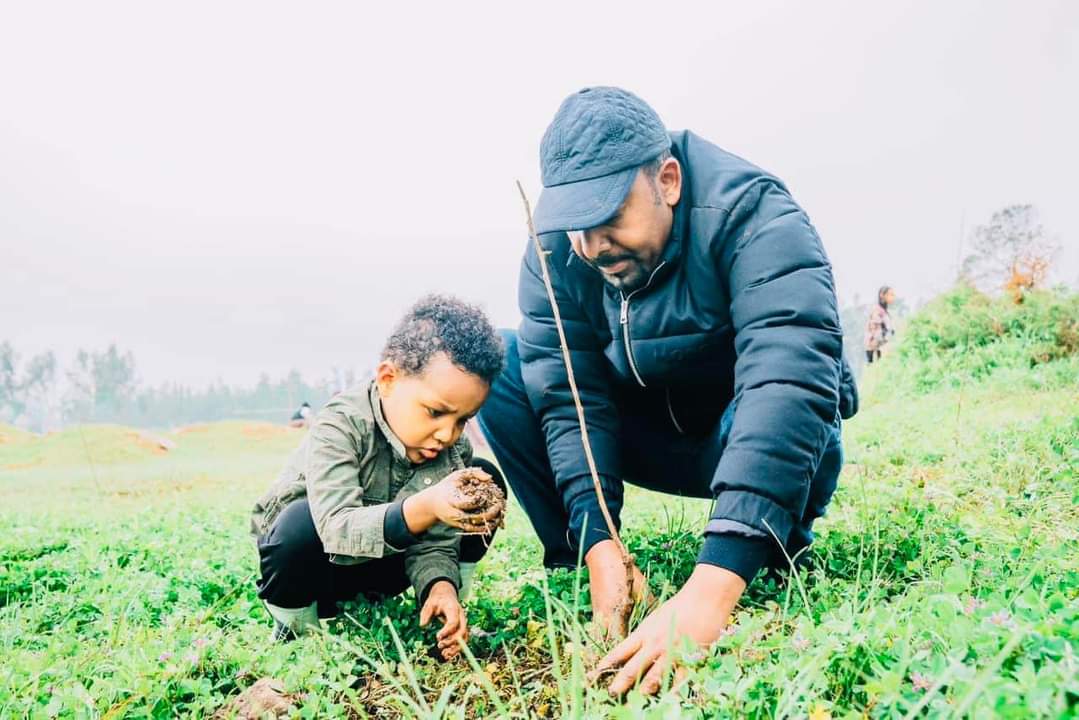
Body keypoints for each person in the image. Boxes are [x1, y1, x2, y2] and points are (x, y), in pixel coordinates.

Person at [477, 87, 858, 694]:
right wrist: (599, 538)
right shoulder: (558, 248)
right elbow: (567, 395)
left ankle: (764, 546)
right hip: (646, 435)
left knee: (798, 396)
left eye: (609, 219)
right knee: (506, 361)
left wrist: (709, 592)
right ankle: (590, 568)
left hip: (734, 433)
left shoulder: (755, 214)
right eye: (576, 224)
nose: (591, 246)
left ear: (669, 181)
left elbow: (786, 380)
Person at [251, 295, 507, 660]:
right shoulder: (340, 425)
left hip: (386, 568)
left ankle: (447, 617)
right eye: (436, 412)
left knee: (480, 483)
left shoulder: (450, 449)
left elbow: (435, 542)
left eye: (463, 420)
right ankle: (297, 640)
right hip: (320, 572)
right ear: (388, 379)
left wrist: (440, 583)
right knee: (297, 525)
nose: (447, 434)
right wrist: (426, 506)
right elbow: (335, 530)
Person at [864, 285, 896, 363]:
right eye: (890, 294)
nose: (893, 297)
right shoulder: (877, 311)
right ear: (882, 295)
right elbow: (875, 332)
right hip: (875, 349)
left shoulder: (884, 311)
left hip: (882, 347)